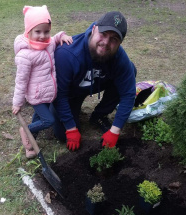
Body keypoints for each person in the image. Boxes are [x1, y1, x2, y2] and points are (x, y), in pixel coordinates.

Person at [52, 11, 137, 151]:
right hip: (70, 93)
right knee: (63, 135)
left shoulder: (119, 57)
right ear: (93, 29)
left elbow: (128, 94)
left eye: (114, 39)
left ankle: (99, 115)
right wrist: (71, 128)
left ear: (120, 43)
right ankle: (50, 109)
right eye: (103, 34)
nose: (106, 42)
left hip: (96, 82)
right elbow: (59, 95)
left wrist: (115, 131)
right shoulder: (67, 54)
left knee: (130, 70)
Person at [12, 5, 73, 158]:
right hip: (36, 95)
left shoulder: (48, 43)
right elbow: (21, 81)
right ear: (28, 31)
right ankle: (27, 130)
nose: (42, 36)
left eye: (46, 31)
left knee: (38, 118)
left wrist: (62, 36)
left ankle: (30, 145)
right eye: (37, 32)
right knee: (49, 120)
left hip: (48, 92)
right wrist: (17, 102)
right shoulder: (26, 54)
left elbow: (54, 39)